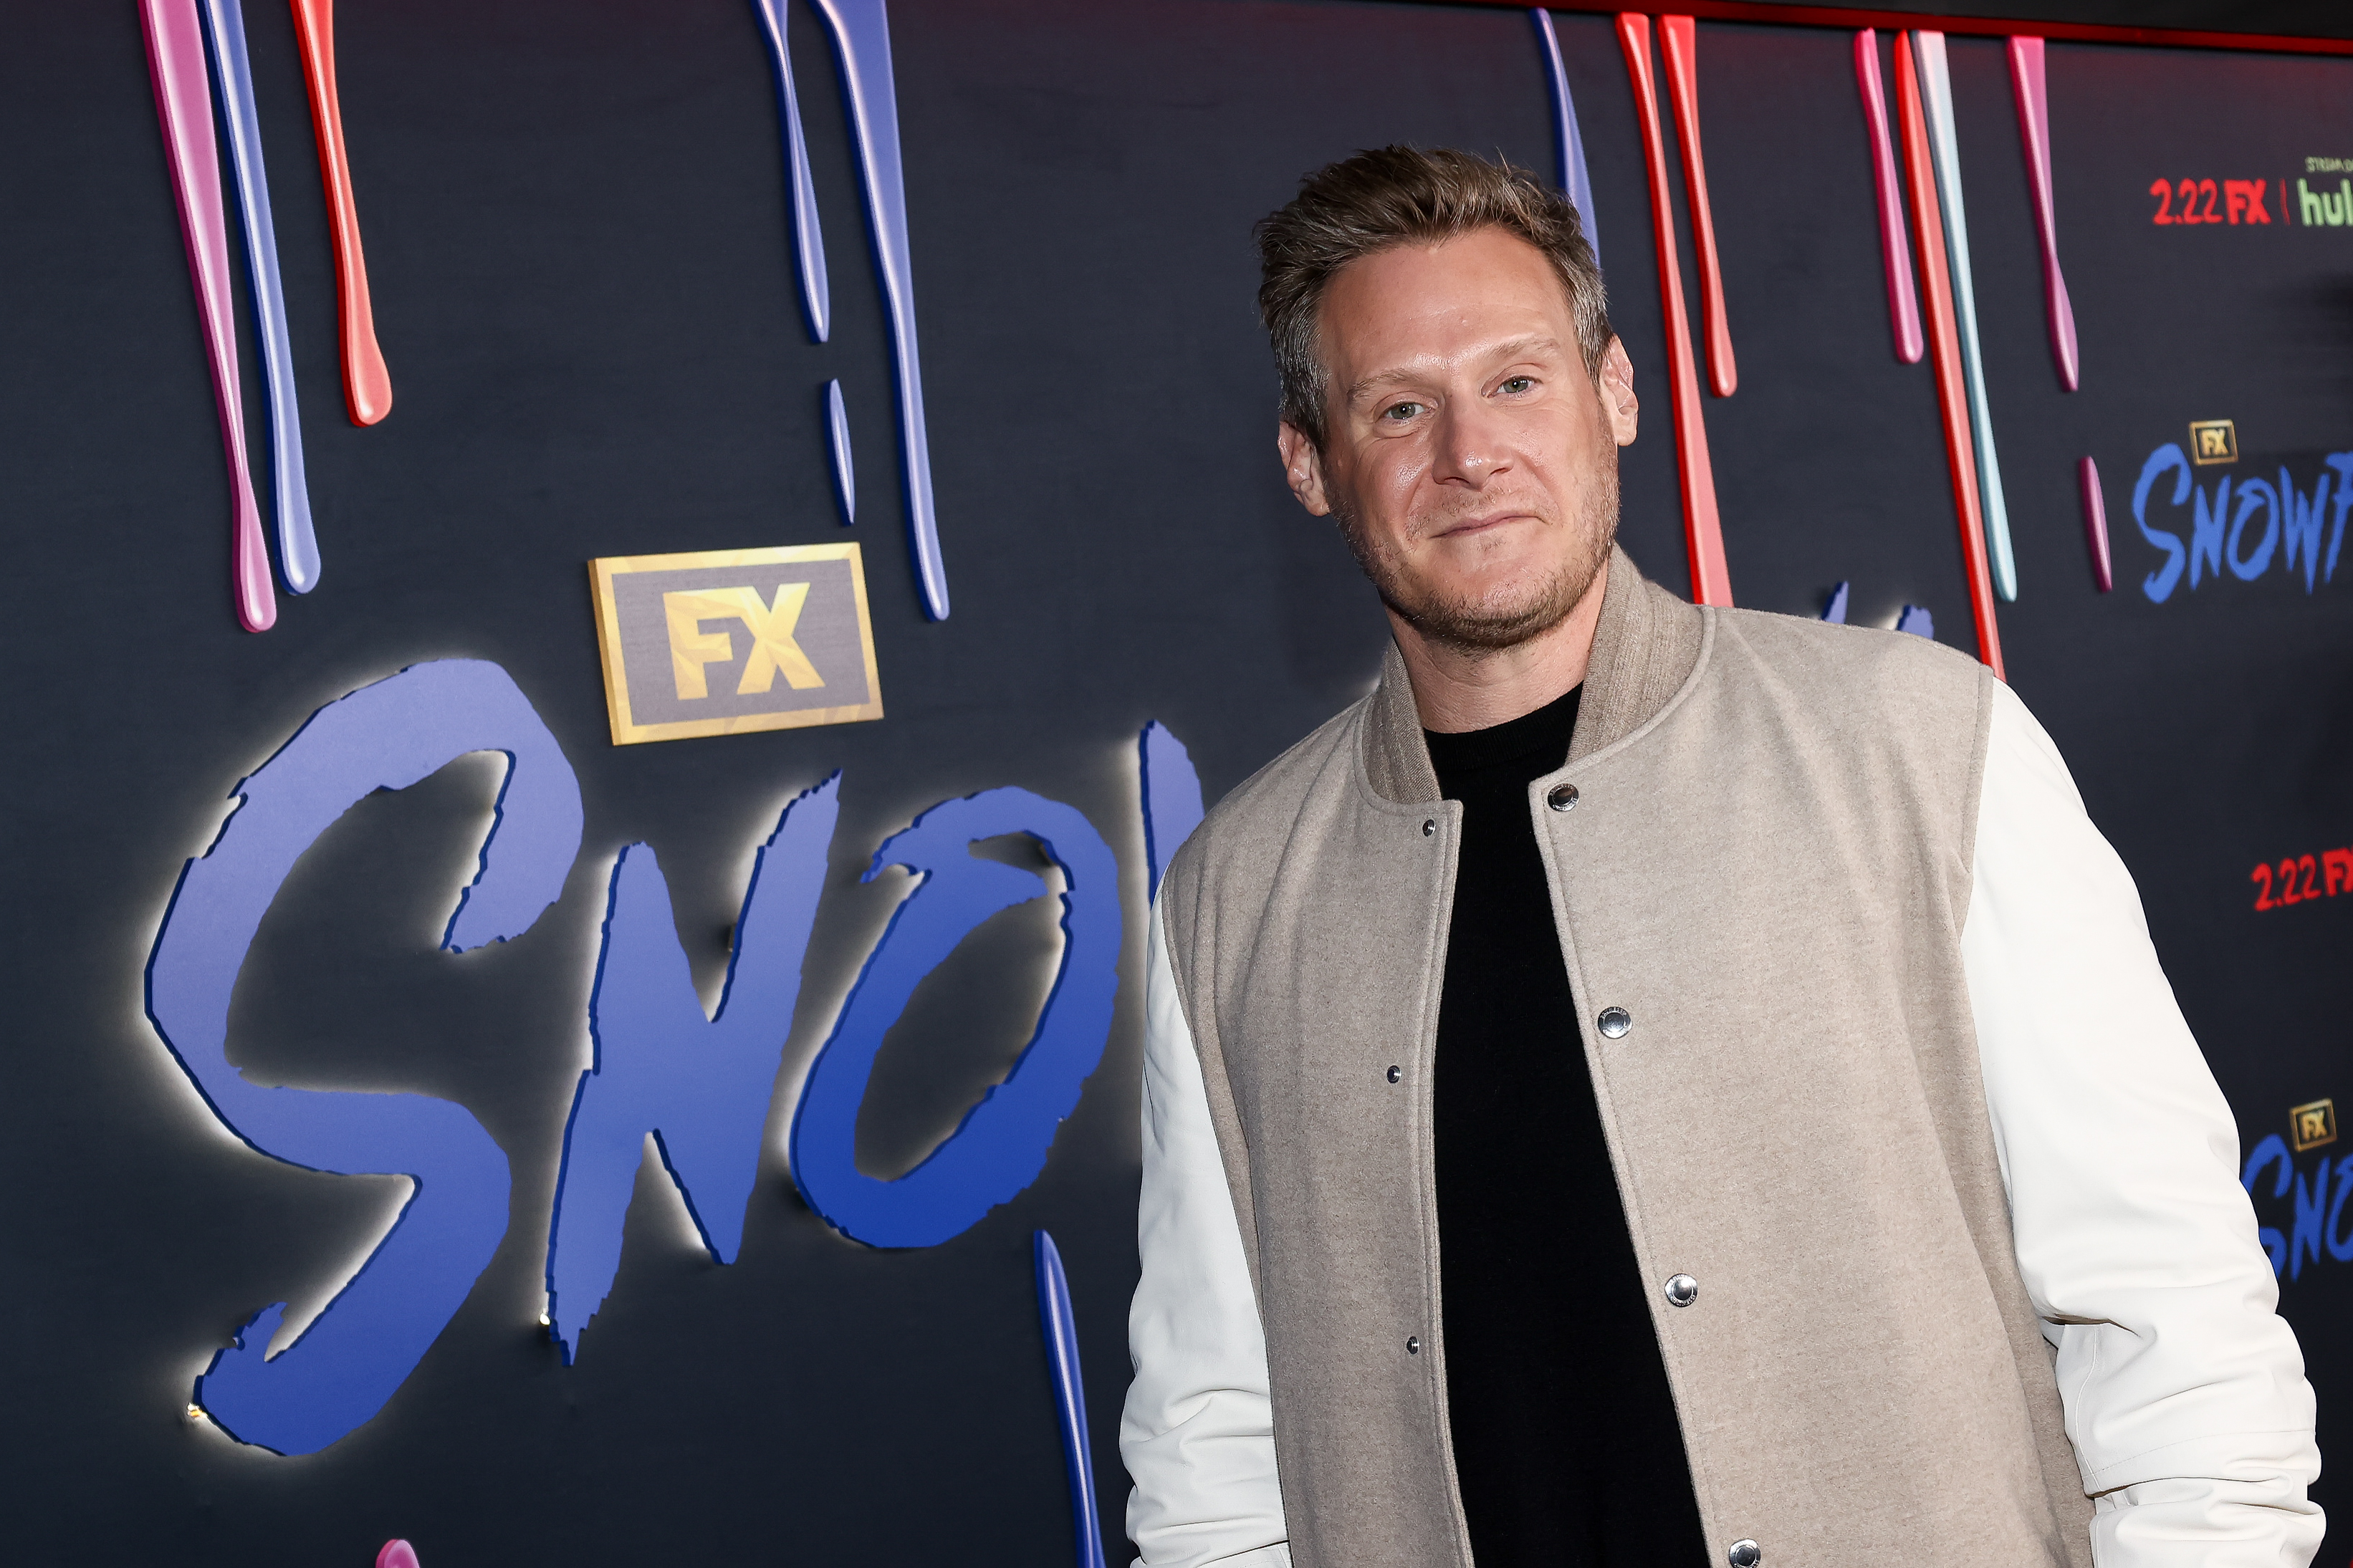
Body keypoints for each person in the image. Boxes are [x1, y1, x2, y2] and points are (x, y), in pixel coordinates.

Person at [1118, 146, 2320, 1568]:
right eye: (1397, 407)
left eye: (1516, 380)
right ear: (1310, 464)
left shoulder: (1918, 748)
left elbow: (2165, 1308)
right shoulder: (1230, 903)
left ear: (1613, 393)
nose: (1468, 454)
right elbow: (1212, 1456)